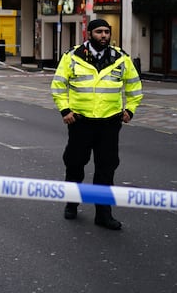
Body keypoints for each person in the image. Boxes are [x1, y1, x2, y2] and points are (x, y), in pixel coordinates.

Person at [50, 18, 143, 229]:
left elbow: (135, 87)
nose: (104, 35)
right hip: (80, 122)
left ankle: (103, 214)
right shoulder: (72, 57)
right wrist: (65, 110)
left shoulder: (120, 58)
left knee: (106, 168)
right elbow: (58, 85)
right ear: (89, 34)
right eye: (99, 32)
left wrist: (130, 109)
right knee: (74, 164)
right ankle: (72, 203)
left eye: (107, 32)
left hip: (109, 123)